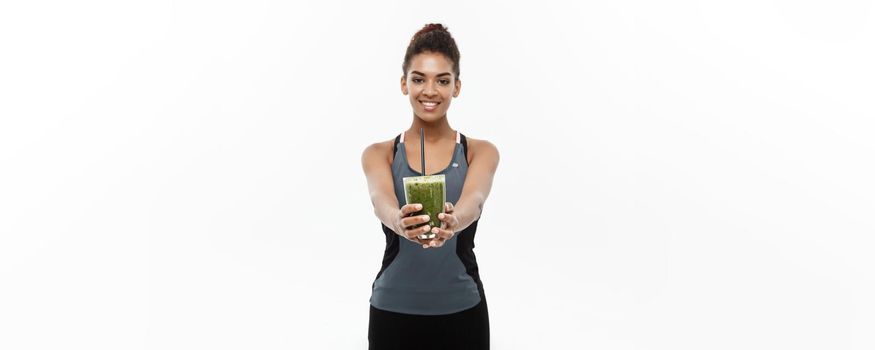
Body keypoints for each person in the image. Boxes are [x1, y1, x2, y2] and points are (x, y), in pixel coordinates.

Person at [360, 23, 500, 349]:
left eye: (442, 80)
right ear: (403, 84)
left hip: (463, 310)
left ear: (457, 87)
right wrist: (398, 221)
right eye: (419, 79)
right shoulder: (379, 153)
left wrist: (454, 222)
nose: (430, 91)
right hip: (392, 311)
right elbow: (380, 200)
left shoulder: (480, 151)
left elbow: (474, 200)